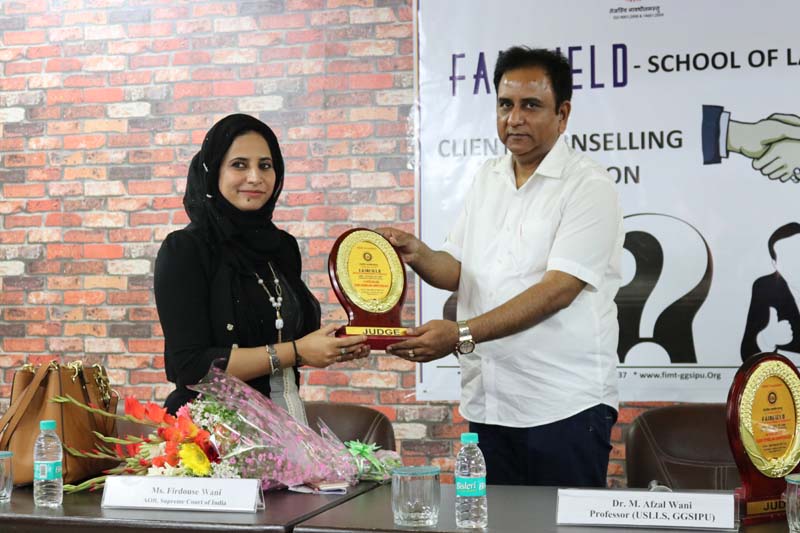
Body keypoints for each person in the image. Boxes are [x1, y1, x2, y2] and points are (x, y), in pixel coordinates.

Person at [379, 46, 624, 487]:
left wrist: (461, 334)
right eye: (505, 104)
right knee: (491, 519)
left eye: (531, 106)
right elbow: (457, 268)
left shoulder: (589, 186)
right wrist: (416, 254)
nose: (514, 118)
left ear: (563, 114)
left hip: (565, 407)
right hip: (490, 402)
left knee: (560, 522)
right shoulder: (488, 177)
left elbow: (558, 289)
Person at [155, 114, 369, 419]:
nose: (255, 177)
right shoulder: (186, 250)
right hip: (212, 431)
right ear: (213, 172)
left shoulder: (282, 248)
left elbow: (284, 342)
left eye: (265, 165)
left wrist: (335, 346)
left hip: (287, 422)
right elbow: (191, 366)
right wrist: (297, 351)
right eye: (239, 165)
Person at [741, 222, 800, 360]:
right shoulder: (764, 287)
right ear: (775, 264)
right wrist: (767, 341)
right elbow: (747, 350)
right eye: (788, 257)